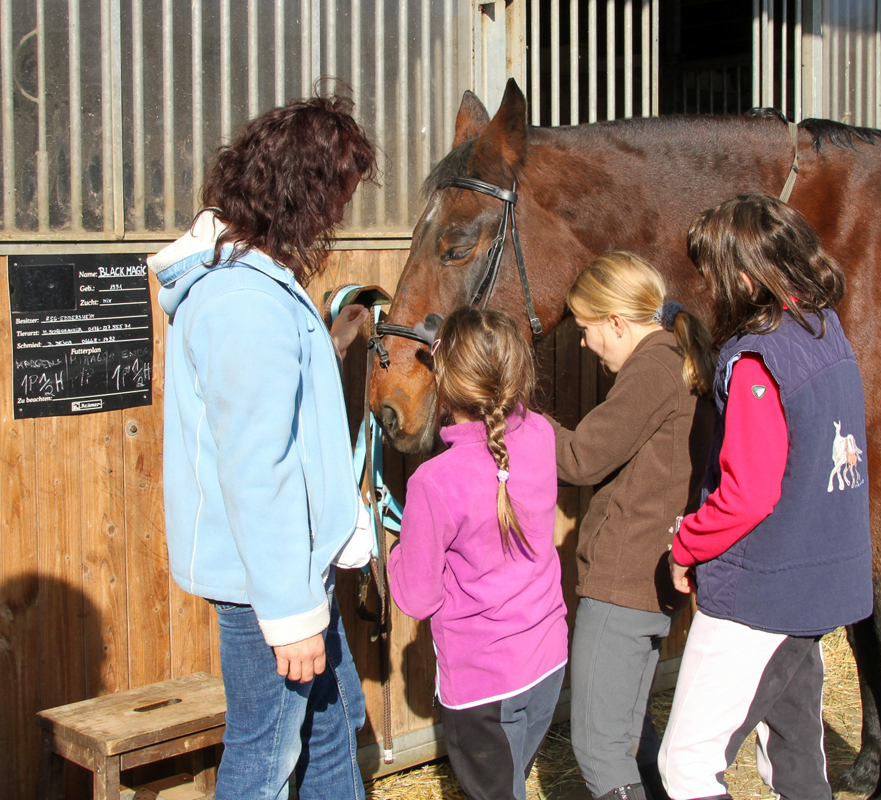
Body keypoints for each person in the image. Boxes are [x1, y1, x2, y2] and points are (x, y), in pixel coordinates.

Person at [150, 96, 378, 799]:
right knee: (264, 759)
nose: (339, 215)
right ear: (303, 193)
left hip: (295, 574)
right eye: (337, 196)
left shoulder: (259, 286)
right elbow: (259, 472)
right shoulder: (243, 302)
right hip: (269, 590)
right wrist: (289, 616)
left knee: (333, 734)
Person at [657, 193, 874, 800]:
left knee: (687, 767)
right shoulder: (824, 328)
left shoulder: (756, 362)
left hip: (760, 596)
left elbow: (747, 495)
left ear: (745, 276)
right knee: (797, 754)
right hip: (818, 585)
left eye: (715, 275)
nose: (709, 288)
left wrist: (687, 546)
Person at [549, 252, 715, 800]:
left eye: (585, 329)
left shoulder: (653, 367)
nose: (582, 343)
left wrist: (514, 413)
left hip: (623, 584)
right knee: (630, 736)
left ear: (617, 323)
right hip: (648, 582)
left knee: (599, 750)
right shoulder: (676, 358)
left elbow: (579, 459)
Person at [387, 308, 569, 800]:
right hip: (547, 660)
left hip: (484, 683)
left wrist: (397, 549)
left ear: (443, 381)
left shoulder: (433, 481)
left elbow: (417, 598)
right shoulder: (542, 434)